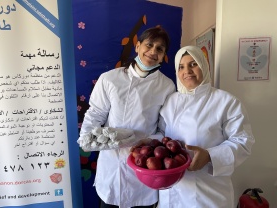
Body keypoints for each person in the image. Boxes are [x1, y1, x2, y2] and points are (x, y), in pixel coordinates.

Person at [79, 26, 176, 208]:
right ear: (137, 46)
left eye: (160, 49)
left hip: (145, 167)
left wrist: (148, 142)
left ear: (164, 56)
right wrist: (87, 138)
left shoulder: (167, 86)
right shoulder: (110, 79)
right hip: (111, 165)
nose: (153, 51)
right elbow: (95, 113)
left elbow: (165, 128)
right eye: (149, 45)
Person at [157, 45, 255, 208]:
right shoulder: (170, 101)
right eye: (181, 67)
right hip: (171, 193)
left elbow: (243, 142)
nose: (187, 71)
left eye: (193, 64)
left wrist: (210, 156)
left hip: (208, 193)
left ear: (204, 65)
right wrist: (147, 142)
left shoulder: (225, 102)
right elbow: (161, 134)